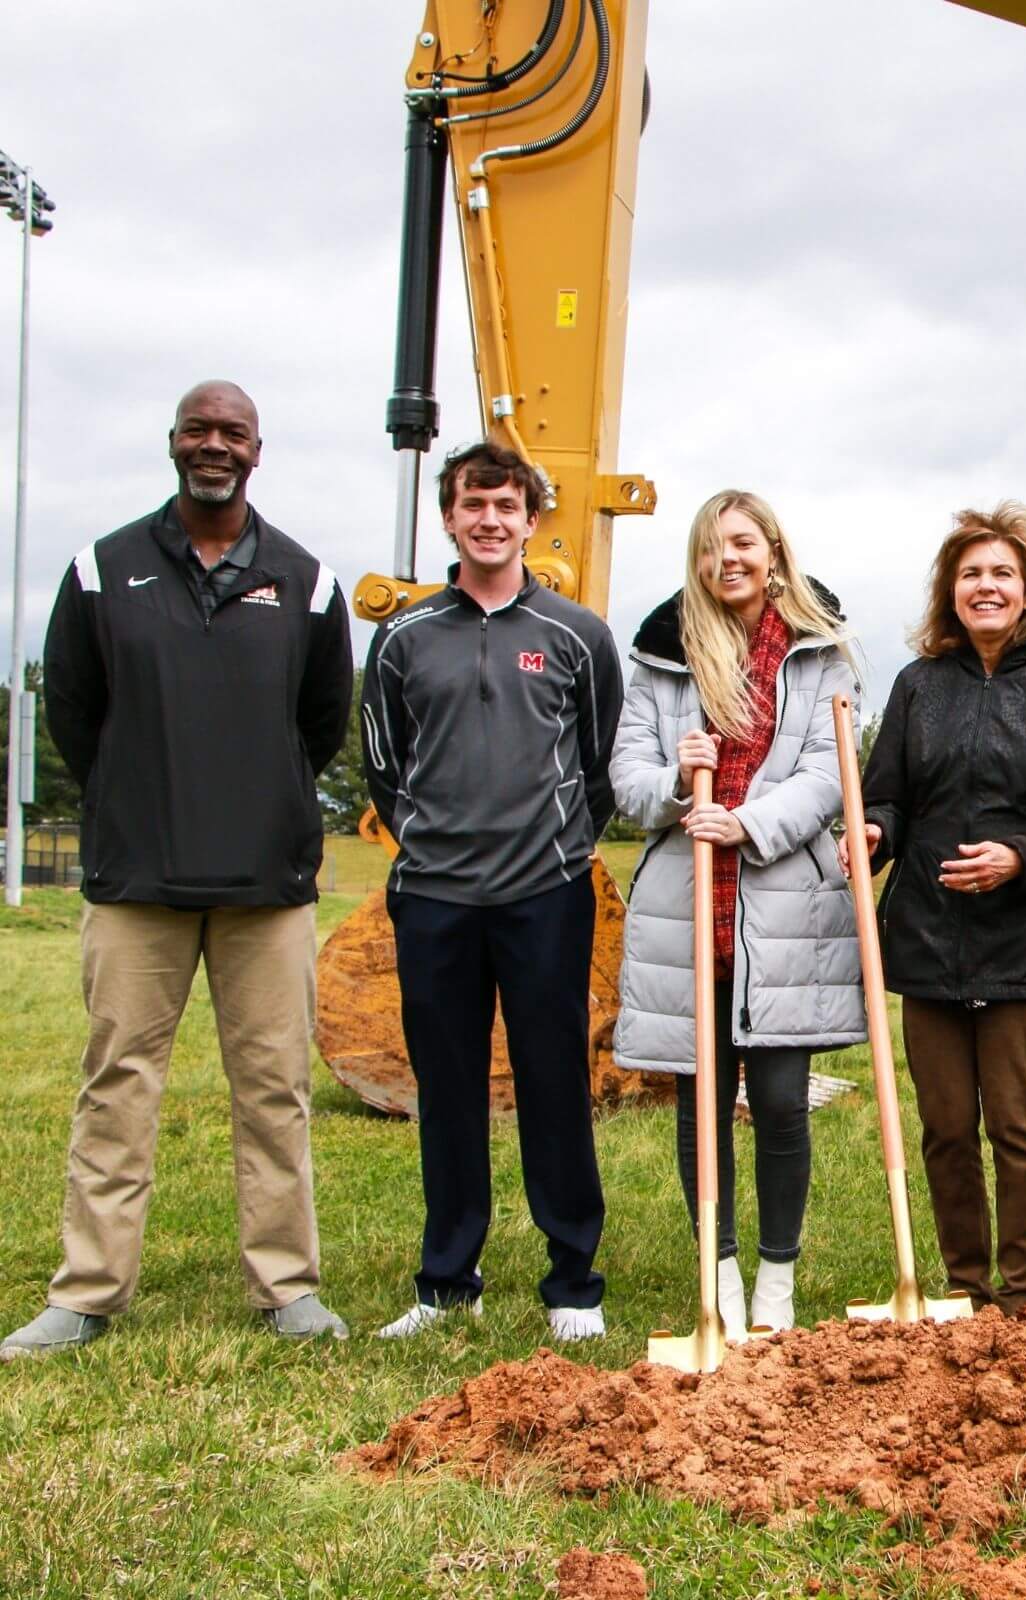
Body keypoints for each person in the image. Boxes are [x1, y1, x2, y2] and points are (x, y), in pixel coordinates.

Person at [3, 381, 353, 1362]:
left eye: (232, 432)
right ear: (173, 443)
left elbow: (319, 723)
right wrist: (137, 790)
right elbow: (76, 712)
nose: (214, 444)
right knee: (117, 1086)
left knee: (275, 1088)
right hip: (137, 882)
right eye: (199, 429)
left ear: (256, 451)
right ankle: (87, 1291)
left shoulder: (307, 582)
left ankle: (286, 1286)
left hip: (265, 889)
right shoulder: (100, 569)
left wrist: (259, 796)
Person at [361, 439, 622, 1343]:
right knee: (448, 1087)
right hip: (434, 898)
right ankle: (446, 1281)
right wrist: (432, 843)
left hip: (545, 894)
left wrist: (555, 848)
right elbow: (383, 765)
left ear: (531, 520)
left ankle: (572, 1282)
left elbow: (598, 765)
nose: (490, 520)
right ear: (449, 517)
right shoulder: (402, 638)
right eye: (473, 504)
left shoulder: (577, 635)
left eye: (507, 505)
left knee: (553, 1081)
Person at [853, 502, 1026, 1314]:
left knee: (1014, 1122)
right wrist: (873, 830)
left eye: (1002, 572)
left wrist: (1020, 858)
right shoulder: (919, 685)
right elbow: (889, 797)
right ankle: (963, 1290)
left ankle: (1021, 1293)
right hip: (928, 935)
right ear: (951, 591)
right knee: (943, 1126)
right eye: (971, 574)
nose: (986, 586)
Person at [610, 490, 865, 1335]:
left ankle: (776, 1283)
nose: (729, 560)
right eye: (712, 547)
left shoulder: (819, 652)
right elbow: (628, 780)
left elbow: (830, 772)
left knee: (783, 1100)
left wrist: (747, 823)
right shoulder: (663, 654)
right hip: (687, 905)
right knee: (703, 1104)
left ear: (774, 553)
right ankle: (717, 1275)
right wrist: (675, 782)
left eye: (745, 543)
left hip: (783, 903)